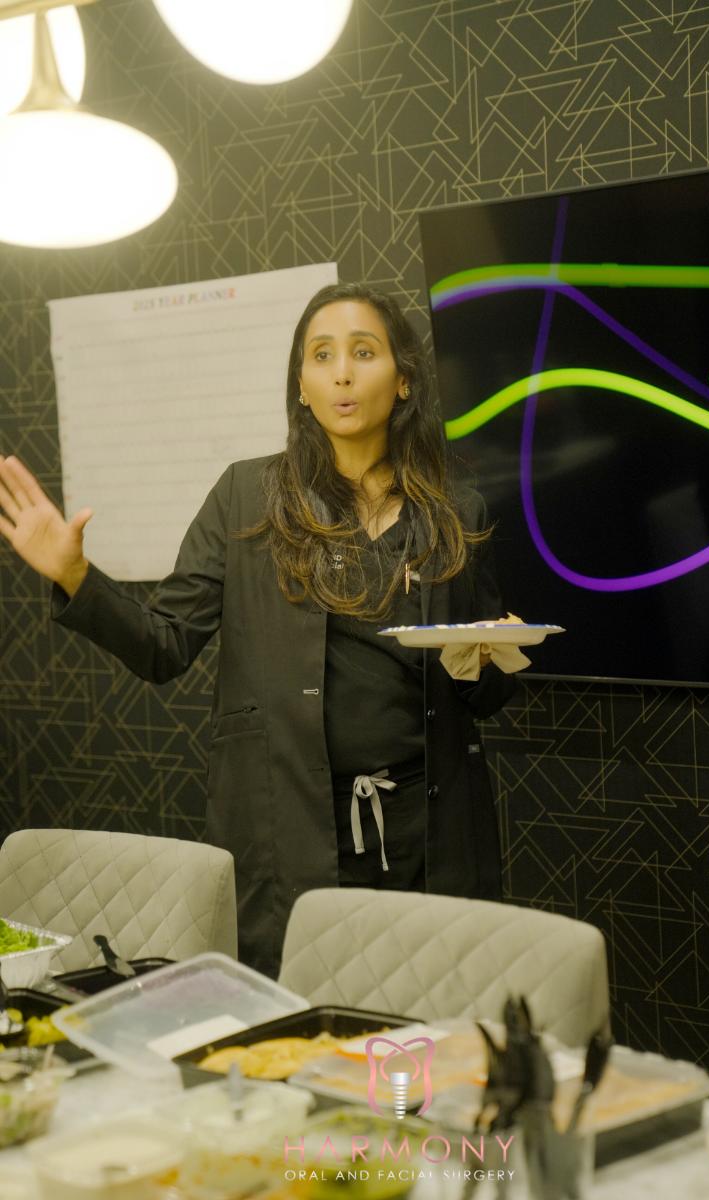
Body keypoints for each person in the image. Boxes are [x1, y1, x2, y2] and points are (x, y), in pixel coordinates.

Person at [0, 281, 522, 977]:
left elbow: (482, 696)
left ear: (402, 381)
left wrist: (494, 658)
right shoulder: (248, 496)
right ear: (302, 386)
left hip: (430, 829)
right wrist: (75, 578)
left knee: (428, 1025)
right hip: (292, 827)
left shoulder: (455, 508)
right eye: (321, 355)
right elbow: (163, 647)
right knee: (302, 1028)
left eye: (363, 352)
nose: (341, 371)